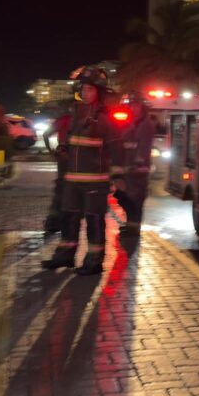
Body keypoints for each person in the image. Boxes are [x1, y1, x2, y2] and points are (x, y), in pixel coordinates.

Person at [42, 66, 123, 275]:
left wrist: (116, 178)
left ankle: (94, 261)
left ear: (99, 92)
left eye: (90, 90)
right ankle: (65, 257)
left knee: (94, 220)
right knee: (68, 218)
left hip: (95, 181)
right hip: (72, 180)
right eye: (83, 89)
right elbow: (69, 141)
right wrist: (62, 149)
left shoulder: (105, 119)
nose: (85, 93)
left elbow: (117, 150)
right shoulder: (76, 115)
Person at [115, 93, 155, 238]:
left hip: (138, 170)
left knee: (136, 200)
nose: (133, 108)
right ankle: (131, 226)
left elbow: (143, 147)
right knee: (125, 197)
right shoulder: (132, 123)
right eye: (131, 105)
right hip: (128, 169)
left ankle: (134, 229)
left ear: (142, 107)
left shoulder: (146, 125)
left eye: (136, 105)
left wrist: (137, 162)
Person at [42, 106, 73, 236]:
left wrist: (51, 151)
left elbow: (46, 134)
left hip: (63, 157)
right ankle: (64, 222)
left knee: (61, 190)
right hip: (77, 159)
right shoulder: (84, 120)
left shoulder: (63, 120)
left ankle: (53, 222)